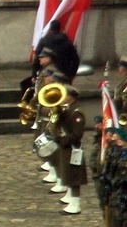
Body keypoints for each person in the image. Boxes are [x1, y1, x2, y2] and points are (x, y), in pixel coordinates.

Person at [52, 85, 87, 214]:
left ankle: (75, 203)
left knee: (73, 175)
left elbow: (77, 134)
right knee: (67, 172)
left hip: (72, 147)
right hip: (66, 147)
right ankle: (71, 198)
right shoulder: (68, 109)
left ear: (71, 96)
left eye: (64, 94)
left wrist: (63, 141)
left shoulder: (77, 112)